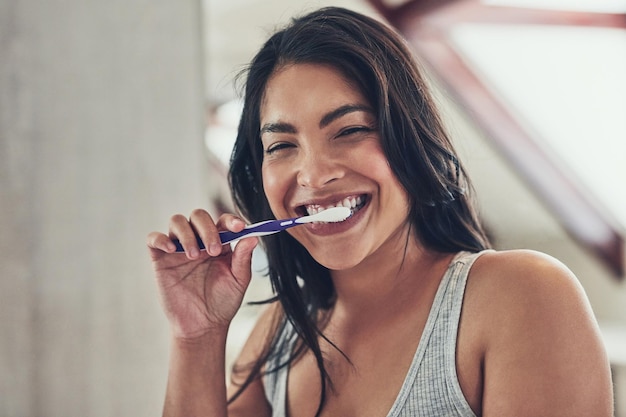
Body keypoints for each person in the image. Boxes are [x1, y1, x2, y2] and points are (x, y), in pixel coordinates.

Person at [146, 6, 613, 417]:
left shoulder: (522, 295)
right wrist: (197, 337)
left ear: (410, 139)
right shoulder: (280, 336)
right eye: (282, 145)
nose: (313, 174)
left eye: (349, 131)